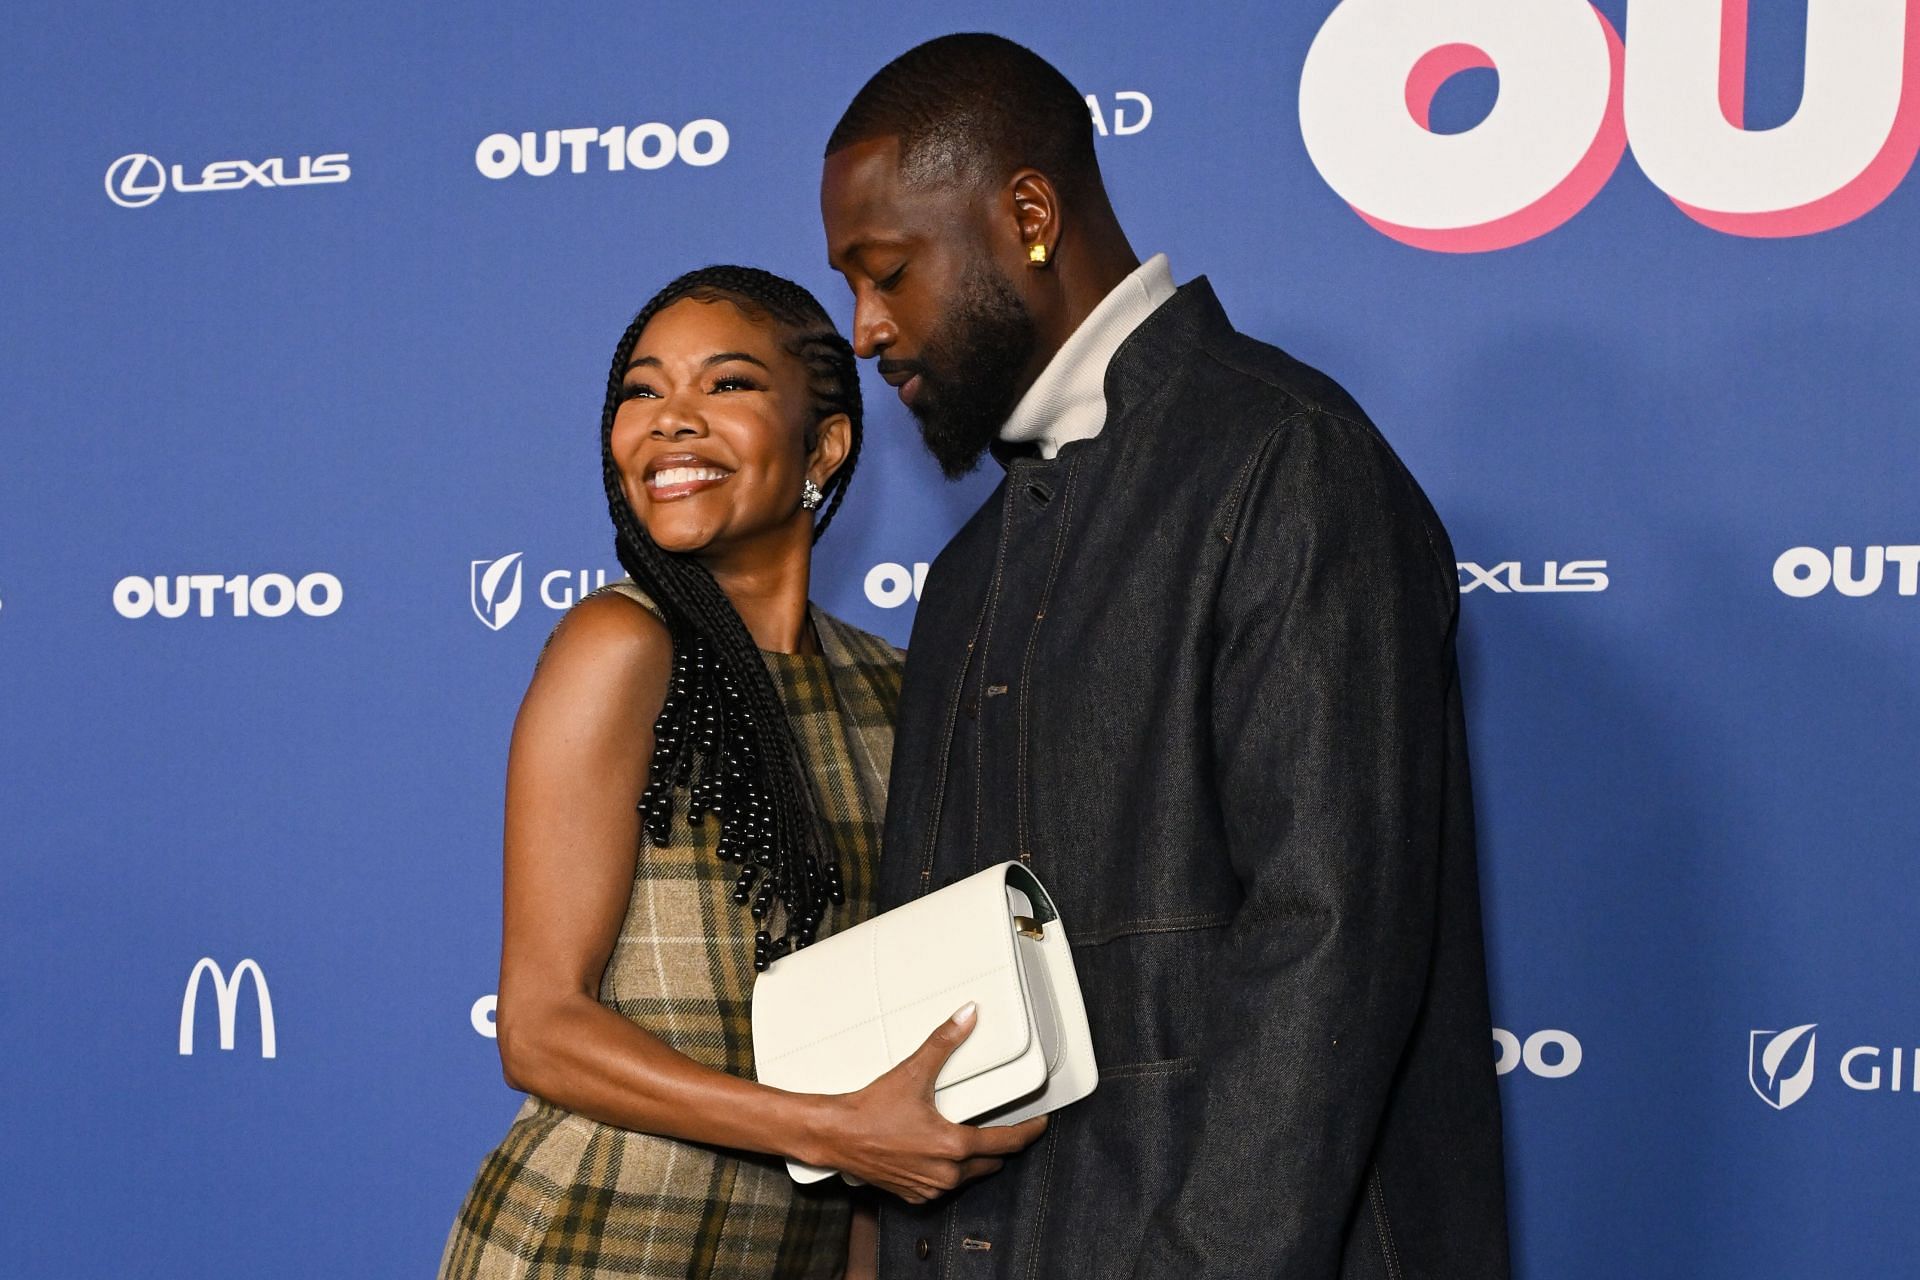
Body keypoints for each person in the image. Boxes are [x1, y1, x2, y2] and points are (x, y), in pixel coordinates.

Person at [819, 35, 1510, 1279]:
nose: (866, 330)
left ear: (1027, 214)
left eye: (889, 273)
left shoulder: (1285, 460)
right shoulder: (968, 571)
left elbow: (1327, 943)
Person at [438, 265, 1045, 1280]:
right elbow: (540, 1028)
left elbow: (878, 1050)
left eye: (725, 385)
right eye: (641, 390)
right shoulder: (621, 643)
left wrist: (860, 1196)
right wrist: (830, 1130)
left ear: (826, 444)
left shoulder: (891, 685)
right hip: (594, 1241)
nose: (670, 421)